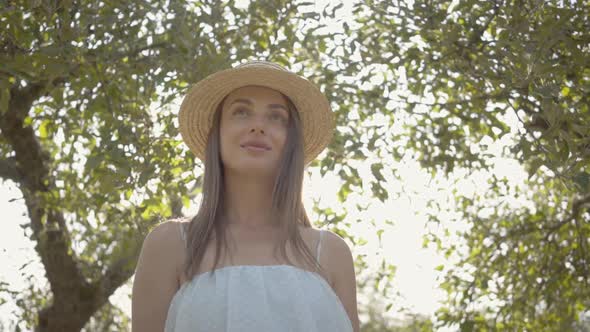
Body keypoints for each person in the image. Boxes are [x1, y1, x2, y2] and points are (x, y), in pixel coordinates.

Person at [131, 60, 359, 332]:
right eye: (241, 112)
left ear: (292, 142)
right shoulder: (170, 246)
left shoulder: (332, 253)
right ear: (216, 135)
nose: (258, 126)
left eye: (276, 116)